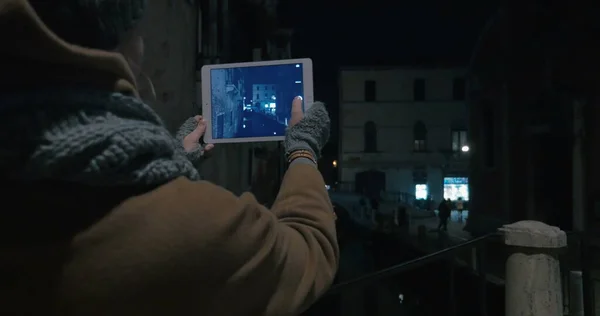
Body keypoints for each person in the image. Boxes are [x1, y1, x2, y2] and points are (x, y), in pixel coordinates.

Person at [0, 1, 339, 315]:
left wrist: (163, 162)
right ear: (130, 48)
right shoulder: (198, 225)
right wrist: (303, 149)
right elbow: (308, 250)